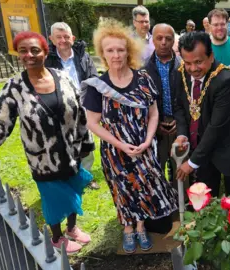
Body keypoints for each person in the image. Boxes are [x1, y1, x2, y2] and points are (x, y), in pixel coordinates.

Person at [0, 31, 94, 254]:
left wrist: (86, 144)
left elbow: (80, 112)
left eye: (35, 50)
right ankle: (56, 237)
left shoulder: (62, 77)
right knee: (53, 201)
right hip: (43, 160)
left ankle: (72, 228)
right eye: (23, 51)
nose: (29, 55)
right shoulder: (13, 88)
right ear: (18, 55)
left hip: (73, 152)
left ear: (45, 52)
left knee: (75, 188)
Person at [82, 19, 178, 254]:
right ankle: (128, 229)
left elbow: (154, 112)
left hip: (144, 147)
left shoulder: (143, 79)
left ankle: (142, 226)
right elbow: (92, 123)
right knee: (122, 189)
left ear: (128, 51)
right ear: (103, 54)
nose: (116, 55)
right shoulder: (98, 87)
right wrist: (120, 144)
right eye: (110, 50)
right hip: (115, 152)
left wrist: (147, 140)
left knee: (144, 187)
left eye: (120, 49)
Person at [173, 32, 230, 199]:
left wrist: (192, 162)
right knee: (206, 197)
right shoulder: (181, 73)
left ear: (211, 56)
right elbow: (179, 106)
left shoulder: (225, 81)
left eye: (198, 62)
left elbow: (216, 127)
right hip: (203, 147)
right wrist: (181, 134)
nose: (193, 69)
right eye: (187, 63)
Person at [45, 22, 100, 190]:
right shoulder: (47, 59)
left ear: (72, 38)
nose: (63, 40)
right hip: (60, 109)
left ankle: (85, 176)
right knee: (64, 144)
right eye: (59, 37)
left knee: (86, 144)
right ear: (52, 39)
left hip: (83, 107)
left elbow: (93, 77)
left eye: (66, 37)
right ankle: (67, 177)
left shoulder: (83, 55)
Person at [145, 24, 181, 182]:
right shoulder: (144, 69)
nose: (164, 42)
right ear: (152, 40)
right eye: (159, 38)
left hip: (179, 124)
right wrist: (155, 123)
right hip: (155, 125)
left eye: (168, 38)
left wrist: (179, 121)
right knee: (156, 167)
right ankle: (161, 203)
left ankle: (181, 202)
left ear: (174, 41)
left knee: (180, 168)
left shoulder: (183, 66)